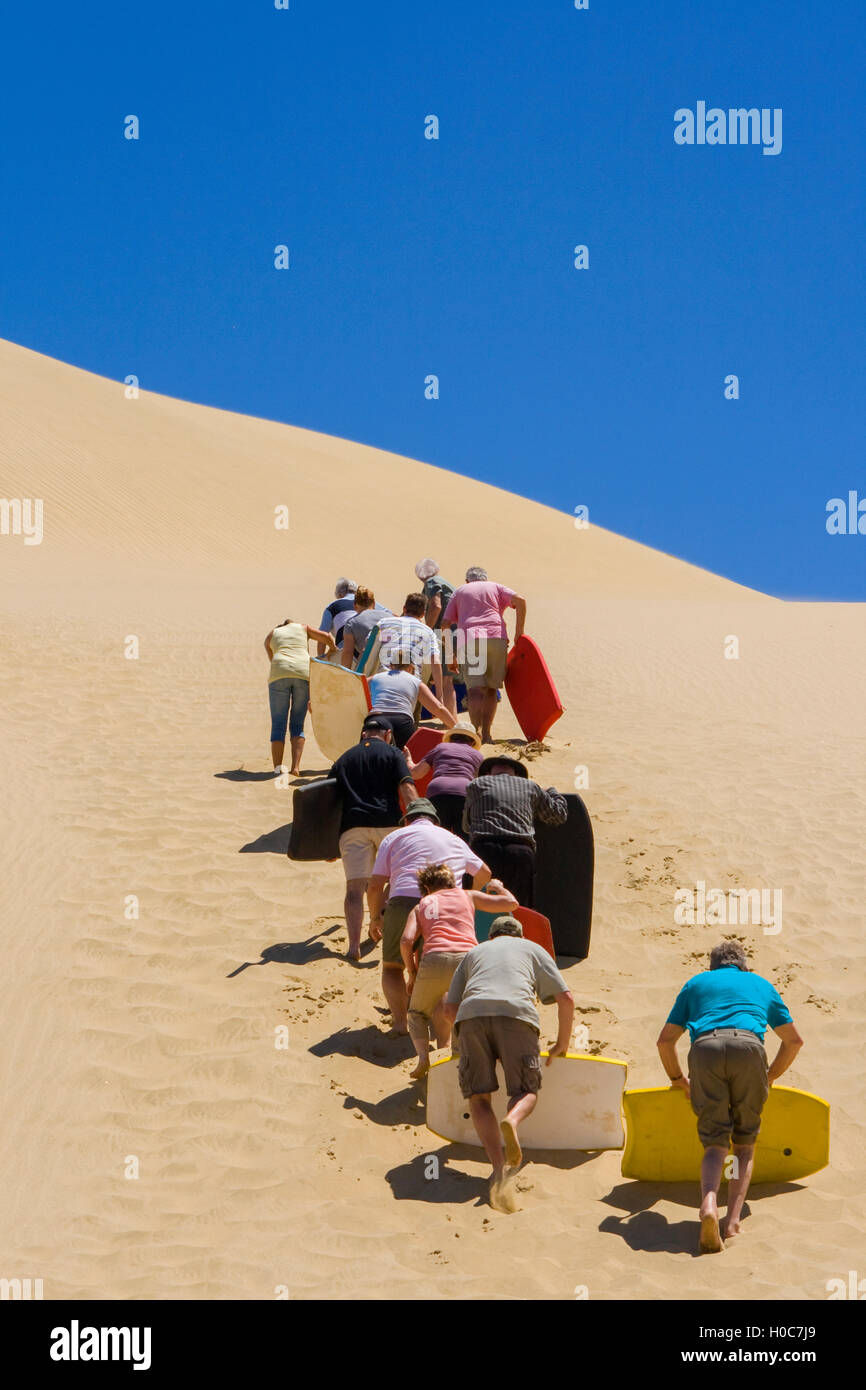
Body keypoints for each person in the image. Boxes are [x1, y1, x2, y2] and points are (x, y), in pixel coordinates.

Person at [656, 940, 803, 1254]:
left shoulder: (696, 984)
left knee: (714, 1142)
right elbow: (794, 1041)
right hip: (749, 1048)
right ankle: (732, 1221)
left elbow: (665, 1041)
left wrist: (677, 1079)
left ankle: (708, 1203)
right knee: (744, 1143)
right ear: (744, 966)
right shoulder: (760, 983)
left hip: (705, 1049)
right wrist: (770, 1075)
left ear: (712, 967)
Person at [443, 915, 574, 1212]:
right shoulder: (532, 948)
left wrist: (466, 1040)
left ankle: (498, 1168)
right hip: (517, 1015)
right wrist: (562, 1043)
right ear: (519, 935)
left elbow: (449, 1008)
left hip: (471, 1015)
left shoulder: (474, 953)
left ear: (491, 937)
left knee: (478, 1098)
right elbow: (565, 998)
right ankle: (512, 1121)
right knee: (526, 1090)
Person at [367, 799, 491, 1035]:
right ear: (436, 821)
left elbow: (375, 886)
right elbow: (484, 873)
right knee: (437, 967)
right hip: (445, 904)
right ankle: (441, 1034)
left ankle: (402, 1023)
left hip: (402, 899)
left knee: (393, 966)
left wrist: (375, 918)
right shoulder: (454, 839)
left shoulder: (395, 837)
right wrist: (464, 897)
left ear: (407, 820)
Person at [400, 863, 517, 1079]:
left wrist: (412, 972)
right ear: (452, 882)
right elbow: (511, 903)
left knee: (417, 1013)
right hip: (469, 959)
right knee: (461, 1013)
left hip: (434, 959)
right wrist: (498, 886)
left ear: (427, 888)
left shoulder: (422, 905)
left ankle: (424, 1058)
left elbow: (407, 940)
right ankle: (456, 1059)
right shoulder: (467, 896)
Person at [327, 714, 418, 961]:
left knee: (354, 888)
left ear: (364, 733)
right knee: (395, 880)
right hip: (389, 824)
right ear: (388, 735)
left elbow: (328, 800)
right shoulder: (393, 754)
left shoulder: (344, 758)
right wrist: (419, 820)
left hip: (352, 826)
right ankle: (378, 919)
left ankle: (354, 946)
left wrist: (326, 844)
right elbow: (407, 788)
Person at [463, 756, 567, 906]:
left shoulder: (475, 785)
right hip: (520, 853)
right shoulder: (530, 786)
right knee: (519, 907)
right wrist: (551, 790)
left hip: (484, 851)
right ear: (516, 773)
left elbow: (466, 826)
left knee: (478, 906)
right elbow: (558, 815)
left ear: (489, 772)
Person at [441, 566, 527, 742]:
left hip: (471, 640)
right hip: (497, 638)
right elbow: (520, 600)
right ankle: (487, 734)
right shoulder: (496, 587)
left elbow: (445, 624)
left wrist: (450, 655)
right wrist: (519, 632)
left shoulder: (459, 591)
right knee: (490, 689)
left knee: (474, 691)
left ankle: (474, 734)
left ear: (467, 581)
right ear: (485, 579)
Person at [264, 617, 335, 773]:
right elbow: (327, 637)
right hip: (303, 673)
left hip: (279, 672)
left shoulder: (272, 634)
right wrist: (333, 650)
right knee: (297, 723)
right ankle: (295, 767)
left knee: (278, 724)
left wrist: (280, 666)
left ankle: (277, 769)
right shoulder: (303, 628)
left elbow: (270, 651)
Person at [405, 723, 484, 836]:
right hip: (464, 792)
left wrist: (407, 758)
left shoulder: (440, 748)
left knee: (439, 836)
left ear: (451, 738)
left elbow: (416, 773)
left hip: (438, 790)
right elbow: (480, 783)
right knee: (463, 838)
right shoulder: (477, 755)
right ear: (472, 742)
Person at [367, 662, 457, 749]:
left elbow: (355, 689)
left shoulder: (375, 678)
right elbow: (438, 709)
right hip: (402, 722)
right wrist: (458, 728)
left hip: (376, 719)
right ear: (410, 668)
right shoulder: (416, 682)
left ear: (391, 666)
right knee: (407, 760)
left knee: (366, 757)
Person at [376, 593, 443, 695]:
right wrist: (439, 696)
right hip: (410, 682)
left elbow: (368, 648)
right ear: (423, 614)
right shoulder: (428, 632)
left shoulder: (384, 623)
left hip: (383, 677)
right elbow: (436, 661)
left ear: (404, 609)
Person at [414, 559, 457, 716]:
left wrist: (427, 630)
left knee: (445, 679)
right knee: (447, 679)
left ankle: (449, 720)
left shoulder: (432, 582)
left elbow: (436, 605)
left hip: (446, 633)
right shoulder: (442, 581)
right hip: (453, 632)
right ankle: (450, 717)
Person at [341, 586, 392, 670]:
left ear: (355, 605)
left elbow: (347, 653)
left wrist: (345, 675)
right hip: (393, 664)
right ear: (374, 603)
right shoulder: (389, 617)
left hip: (369, 667)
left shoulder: (351, 623)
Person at [317, 579, 358, 661]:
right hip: (369, 646)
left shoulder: (332, 606)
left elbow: (322, 636)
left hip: (345, 648)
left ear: (338, 594)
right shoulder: (368, 603)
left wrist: (320, 659)